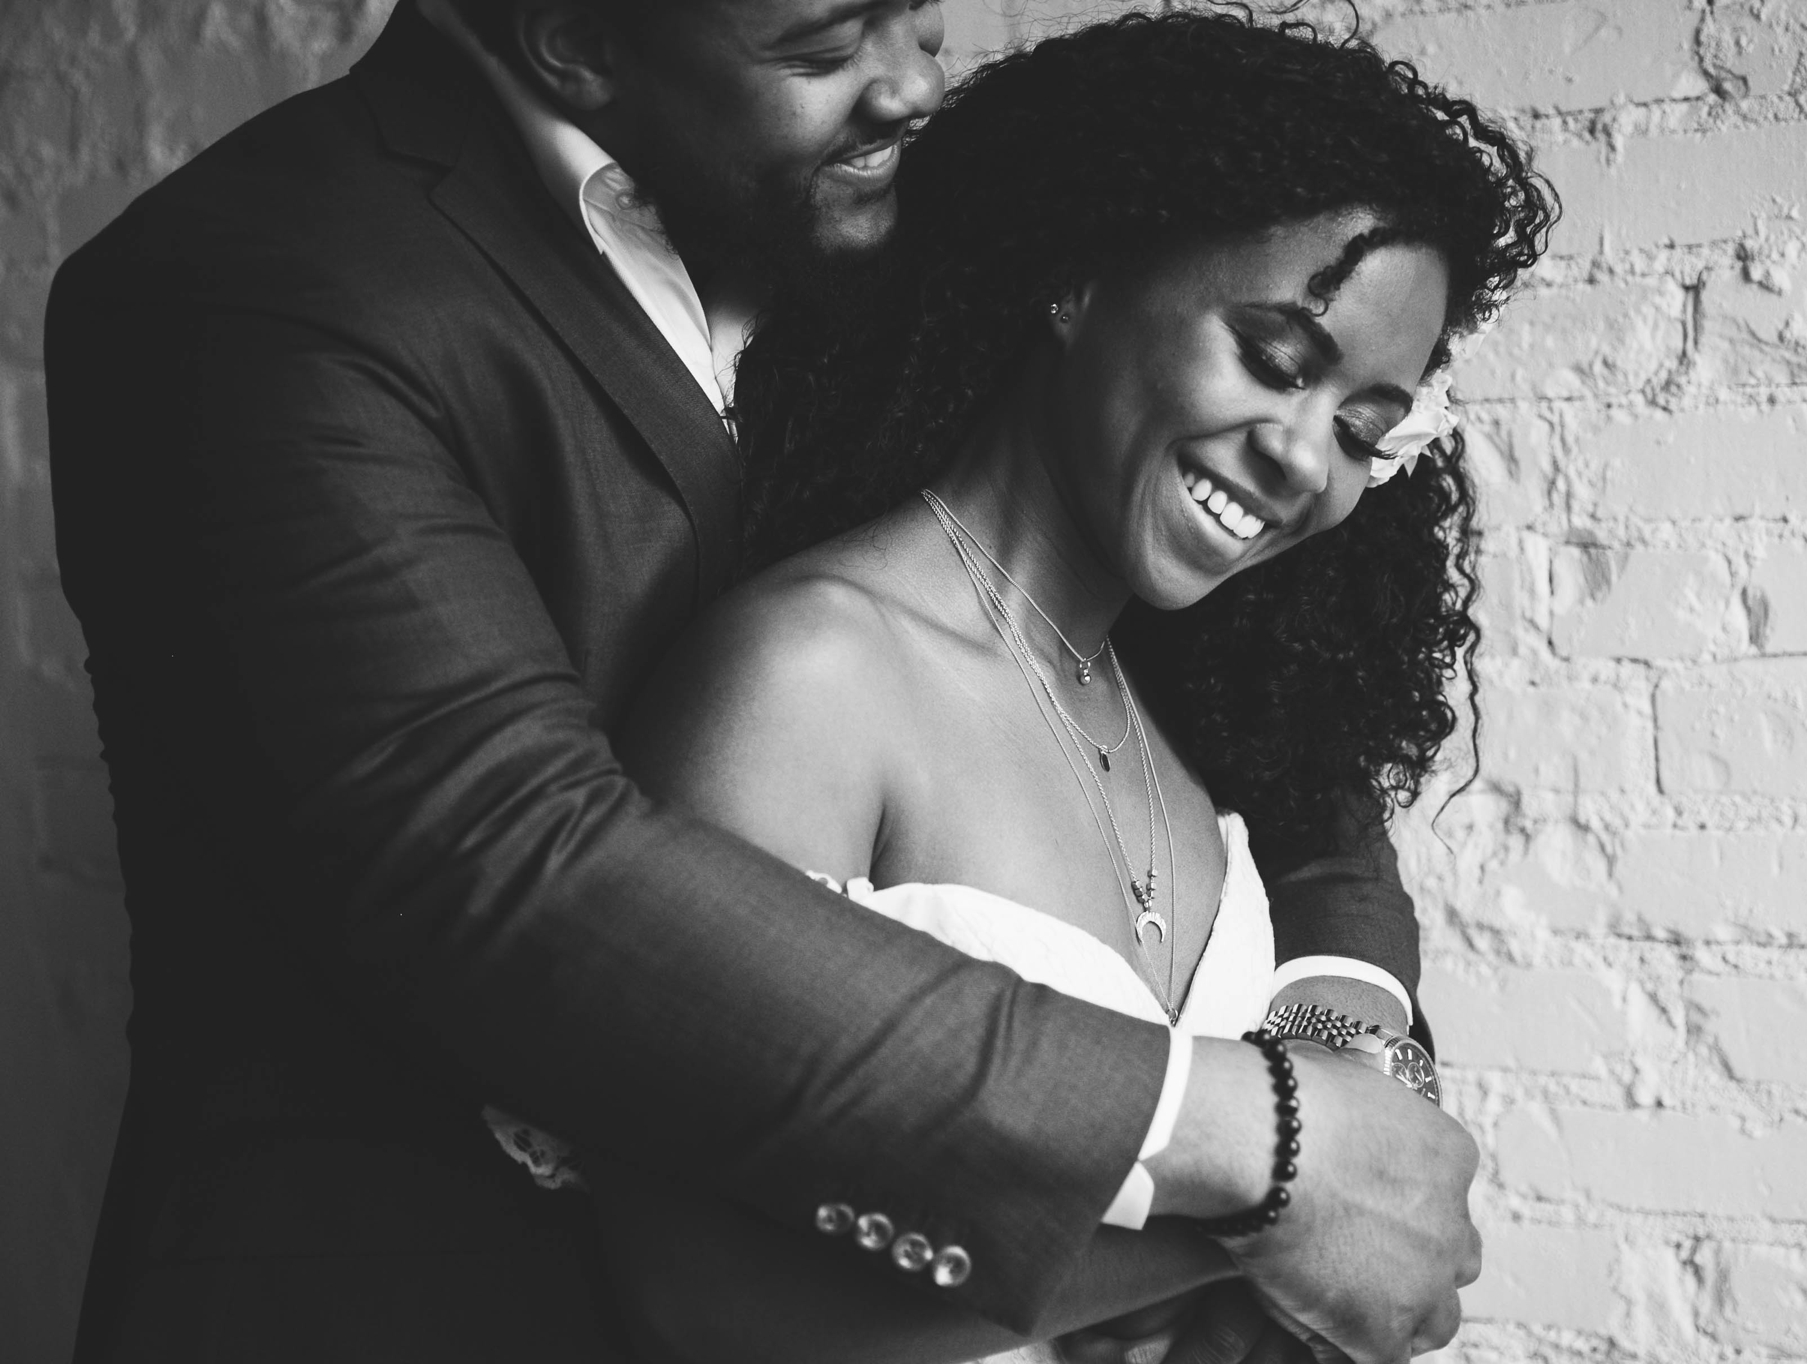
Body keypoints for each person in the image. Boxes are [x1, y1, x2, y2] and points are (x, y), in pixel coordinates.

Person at [44, 0, 1501, 1357]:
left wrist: (1341, 1037)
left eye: (918, 14)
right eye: (824, 40)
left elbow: (1282, 721)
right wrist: (1261, 1161)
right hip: (415, 1300)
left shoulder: (895, 225)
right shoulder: (276, 279)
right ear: (573, 42)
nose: (917, 81)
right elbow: (509, 862)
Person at [563, 12, 1555, 1362]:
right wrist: (1282, 1224)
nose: (1304, 461)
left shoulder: (1185, 732)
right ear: (1079, 281)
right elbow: (691, 1289)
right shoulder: (809, 676)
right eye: (1274, 360)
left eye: (1365, 432)